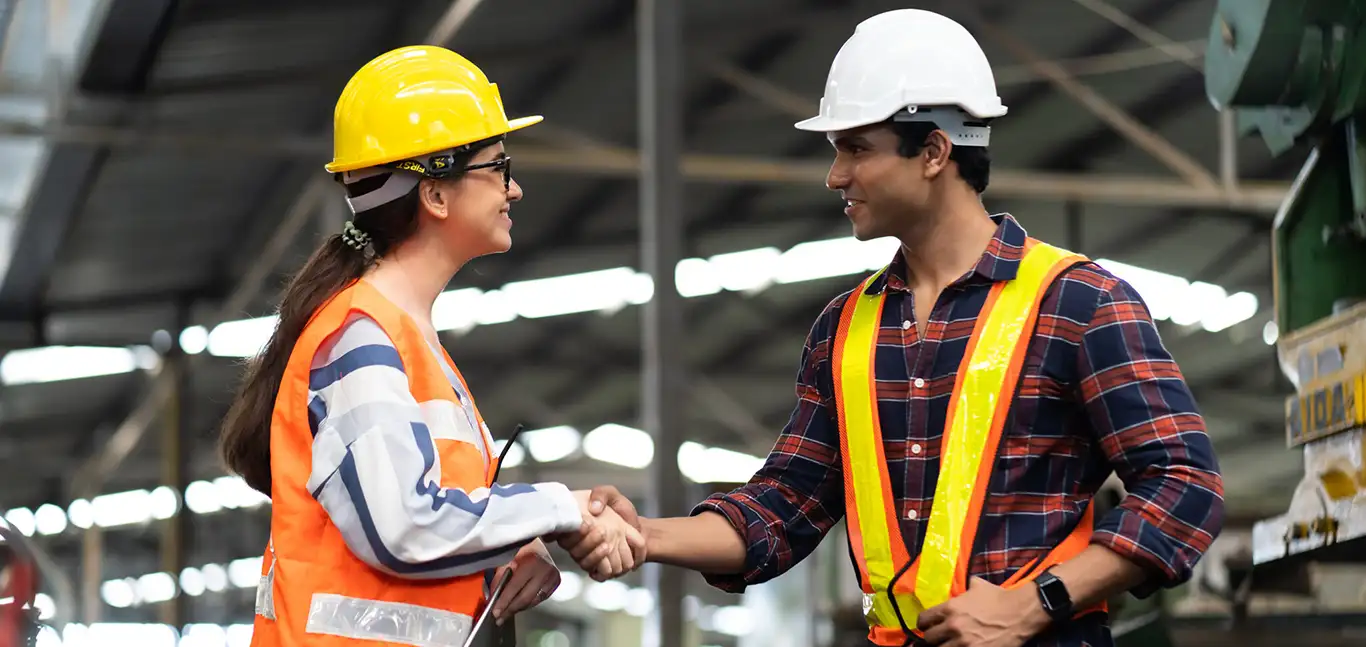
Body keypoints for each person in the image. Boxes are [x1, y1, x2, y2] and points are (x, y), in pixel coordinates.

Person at [566, 9, 1224, 647]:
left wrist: (1034, 601)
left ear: (934, 150)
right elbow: (785, 505)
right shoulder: (845, 330)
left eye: (856, 148)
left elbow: (1185, 485)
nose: (836, 176)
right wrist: (645, 534)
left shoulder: (1078, 303)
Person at [216, 45, 642, 647]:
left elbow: (416, 522)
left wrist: (503, 551)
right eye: (498, 167)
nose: (514, 189)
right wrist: (560, 507)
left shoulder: (405, 340)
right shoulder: (359, 340)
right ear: (434, 194)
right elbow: (404, 531)